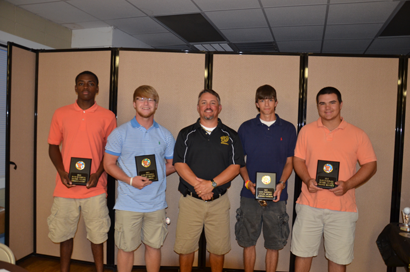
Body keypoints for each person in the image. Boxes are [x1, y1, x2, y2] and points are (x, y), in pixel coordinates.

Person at [291, 87, 377, 272]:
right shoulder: (306, 131)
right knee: (302, 254)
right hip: (309, 205)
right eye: (322, 103)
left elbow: (370, 165)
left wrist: (348, 185)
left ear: (341, 104)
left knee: (338, 259)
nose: (327, 107)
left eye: (332, 102)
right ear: (317, 106)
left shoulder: (357, 134)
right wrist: (307, 180)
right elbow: (298, 160)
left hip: (342, 208)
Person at [47, 71, 117, 272]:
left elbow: (111, 151)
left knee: (97, 235)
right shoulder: (61, 113)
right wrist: (61, 171)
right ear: (75, 87)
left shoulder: (108, 116)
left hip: (95, 187)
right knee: (64, 234)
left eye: (91, 83)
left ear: (97, 88)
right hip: (65, 188)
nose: (86, 87)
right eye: (81, 83)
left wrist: (97, 174)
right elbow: (53, 146)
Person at [104, 85, 175, 272]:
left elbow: (173, 164)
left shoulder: (165, 135)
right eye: (141, 99)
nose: (146, 103)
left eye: (150, 100)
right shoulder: (120, 133)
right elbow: (108, 164)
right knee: (126, 249)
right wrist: (130, 180)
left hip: (156, 204)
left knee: (154, 247)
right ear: (134, 103)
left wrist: (156, 175)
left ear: (156, 105)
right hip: (128, 204)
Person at [173, 89, 245, 272]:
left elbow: (236, 167)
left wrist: (211, 184)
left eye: (212, 103)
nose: (208, 106)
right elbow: (179, 164)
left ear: (219, 108)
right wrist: (200, 187)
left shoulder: (231, 135)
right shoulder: (186, 134)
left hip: (218, 202)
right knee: (185, 249)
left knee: (218, 249)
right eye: (204, 103)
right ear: (198, 108)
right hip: (191, 201)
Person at [235, 85, 296, 272]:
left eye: (270, 99)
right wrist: (247, 182)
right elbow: (239, 162)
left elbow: (290, 162)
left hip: (277, 195)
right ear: (257, 104)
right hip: (249, 194)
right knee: (248, 242)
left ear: (276, 102)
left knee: (274, 243)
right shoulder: (245, 128)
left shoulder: (288, 128)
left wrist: (282, 184)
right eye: (262, 100)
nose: (266, 103)